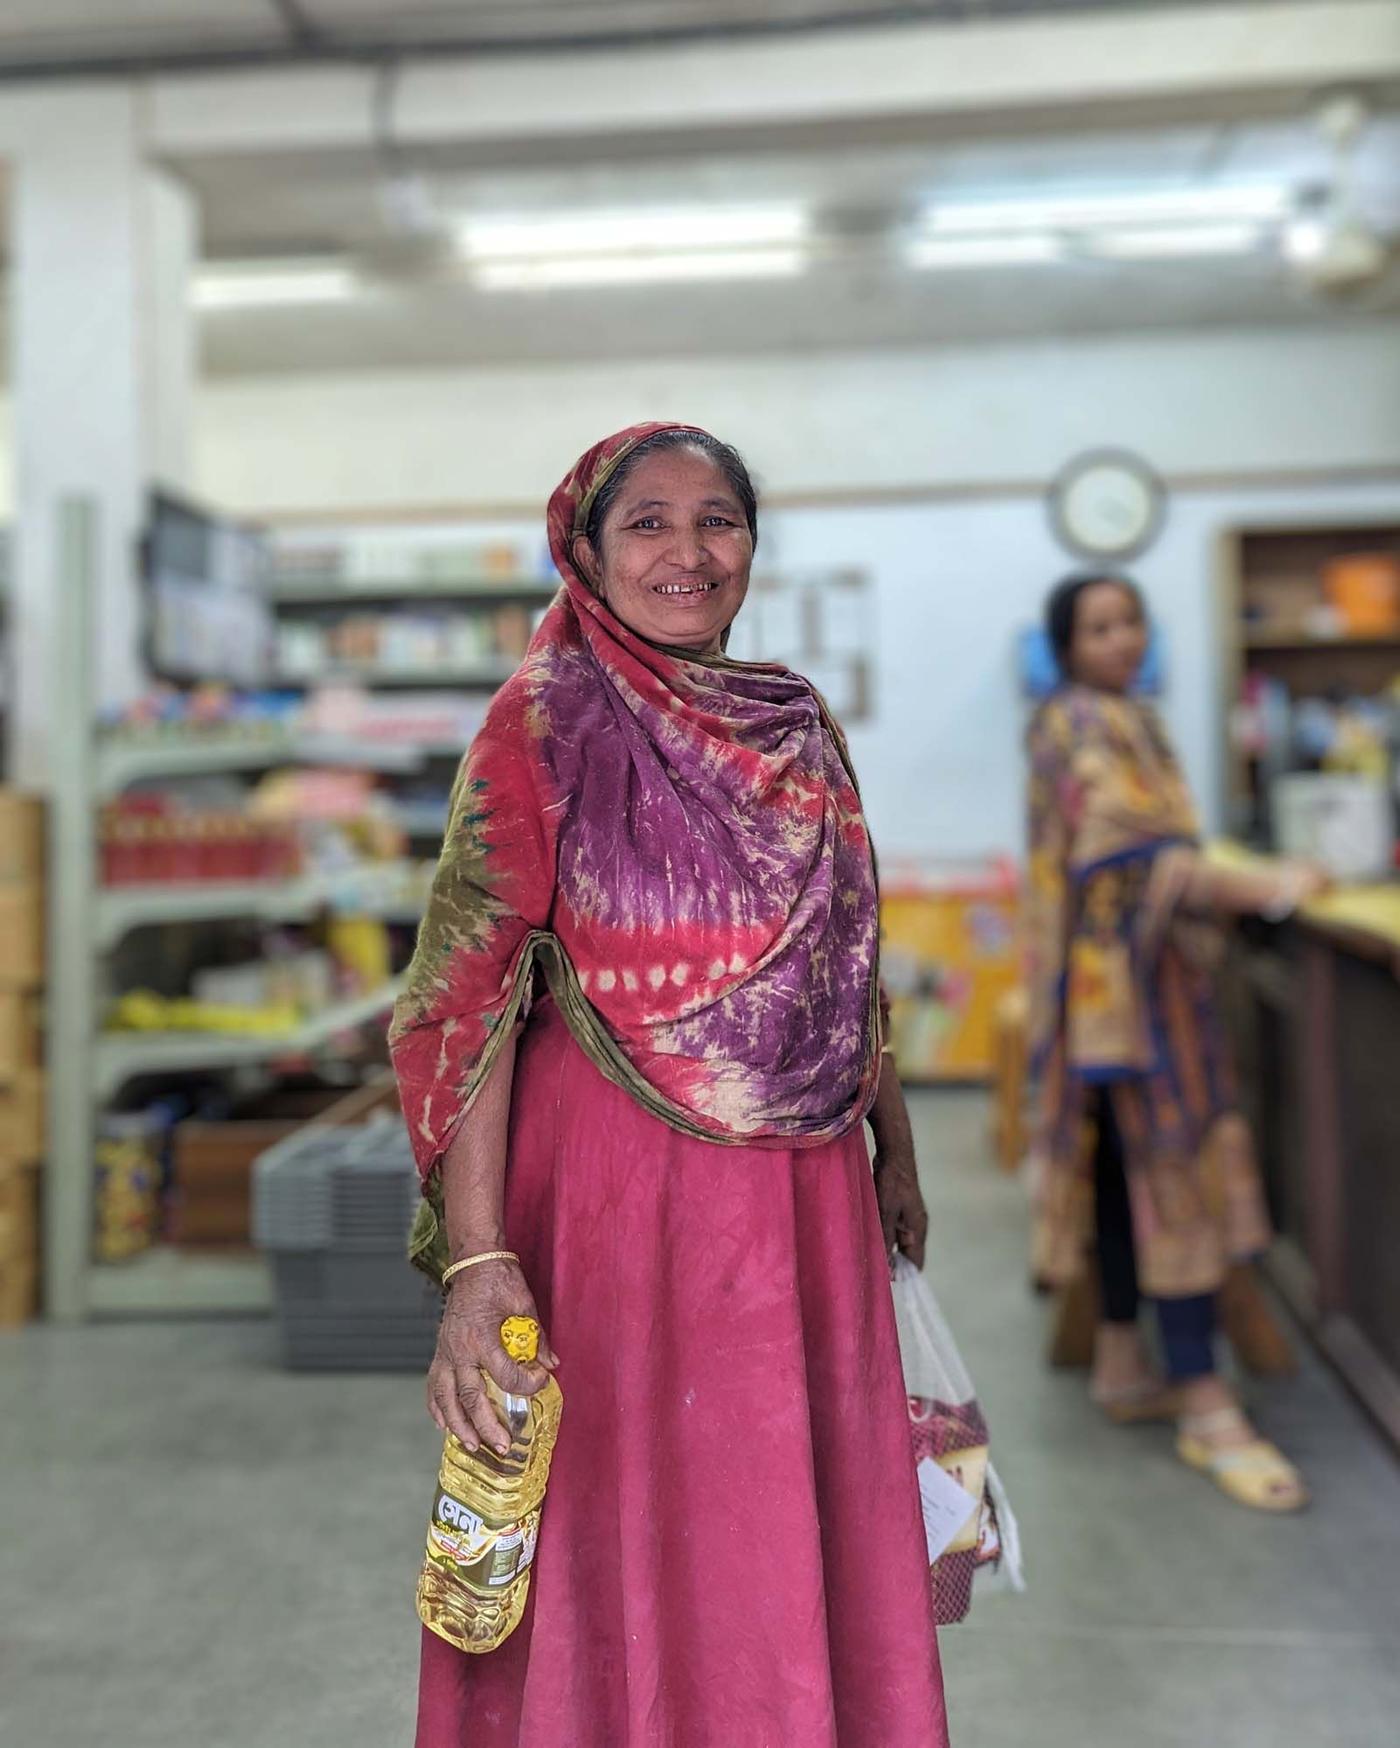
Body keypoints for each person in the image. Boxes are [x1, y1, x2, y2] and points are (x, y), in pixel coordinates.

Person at [390, 422, 949, 1747]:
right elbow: (466, 999)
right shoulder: (545, 718)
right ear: (583, 548)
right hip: (615, 1208)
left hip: (803, 1199)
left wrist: (898, 1153)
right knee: (621, 1519)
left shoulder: (796, 725)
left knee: (777, 1513)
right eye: (647, 521)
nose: (689, 553)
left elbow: (844, 959)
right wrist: (478, 1268)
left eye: (719, 520)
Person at [1026, 572, 1325, 1513]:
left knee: (1123, 1171)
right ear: (1067, 646)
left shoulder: (1136, 717)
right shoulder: (1073, 723)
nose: (1121, 638)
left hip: (1154, 987)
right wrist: (1270, 886)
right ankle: (1202, 1397)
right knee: (1174, 1175)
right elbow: (1128, 852)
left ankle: (1123, 1364)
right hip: (1122, 998)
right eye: (1099, 626)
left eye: (1132, 621)